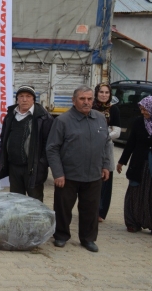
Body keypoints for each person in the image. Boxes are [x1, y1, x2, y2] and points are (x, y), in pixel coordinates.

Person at [46, 85, 111, 253]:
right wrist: (58, 173)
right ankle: (61, 235)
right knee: (63, 208)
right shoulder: (63, 121)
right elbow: (52, 148)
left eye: (89, 99)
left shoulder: (100, 118)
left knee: (90, 210)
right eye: (82, 99)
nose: (86, 102)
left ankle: (88, 239)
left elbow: (106, 143)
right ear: (74, 101)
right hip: (68, 176)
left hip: (94, 175)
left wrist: (106, 165)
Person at [0, 85, 53, 202]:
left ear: (33, 99)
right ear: (17, 99)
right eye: (21, 96)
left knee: (35, 202)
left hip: (33, 169)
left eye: (28, 96)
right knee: (16, 201)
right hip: (14, 167)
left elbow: (49, 144)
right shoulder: (10, 115)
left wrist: (41, 164)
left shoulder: (43, 118)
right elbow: (3, 138)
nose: (24, 99)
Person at [116, 95, 152, 236]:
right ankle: (133, 223)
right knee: (135, 193)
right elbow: (131, 143)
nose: (143, 112)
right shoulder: (138, 122)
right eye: (141, 109)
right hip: (138, 164)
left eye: (145, 109)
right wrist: (122, 161)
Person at [93, 83, 121, 222]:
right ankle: (90, 209)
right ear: (96, 93)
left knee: (106, 180)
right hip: (90, 147)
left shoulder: (113, 109)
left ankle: (101, 212)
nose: (104, 95)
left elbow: (117, 132)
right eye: (101, 92)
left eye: (107, 92)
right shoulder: (91, 107)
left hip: (106, 147)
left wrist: (102, 136)